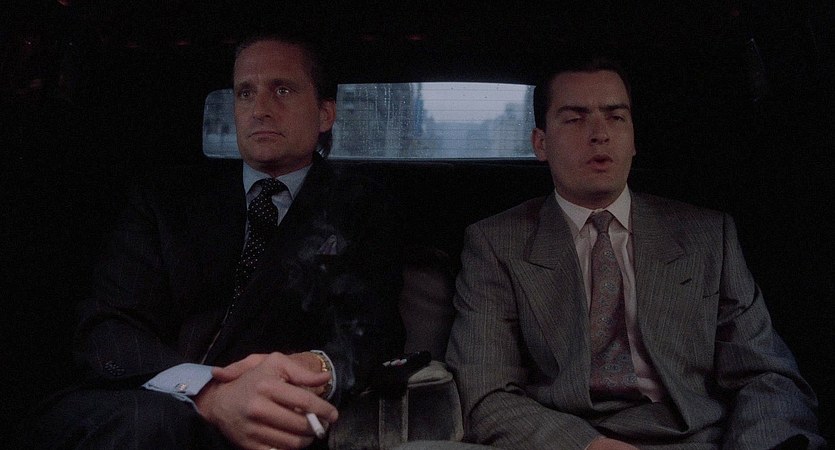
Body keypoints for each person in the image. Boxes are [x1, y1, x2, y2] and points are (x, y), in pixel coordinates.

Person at [24, 33, 404, 449]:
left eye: (282, 90)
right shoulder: (166, 200)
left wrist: (316, 370)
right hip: (141, 402)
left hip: (271, 417)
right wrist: (207, 391)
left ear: (325, 113)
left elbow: (371, 329)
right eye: (245, 93)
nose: (259, 109)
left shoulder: (360, 209)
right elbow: (108, 324)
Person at [445, 55, 825, 449]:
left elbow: (766, 375)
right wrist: (588, 446)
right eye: (575, 119)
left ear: (633, 138)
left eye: (616, 118)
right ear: (541, 143)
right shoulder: (495, 244)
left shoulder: (710, 236)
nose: (600, 134)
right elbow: (484, 391)